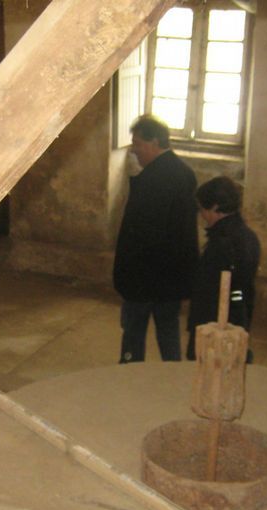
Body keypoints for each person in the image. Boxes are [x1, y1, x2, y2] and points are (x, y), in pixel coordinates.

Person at [113, 114, 199, 363]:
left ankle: (129, 378)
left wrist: (126, 275)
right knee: (168, 332)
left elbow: (142, 236)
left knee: (133, 333)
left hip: (144, 278)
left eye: (138, 144)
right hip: (171, 279)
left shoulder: (151, 180)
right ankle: (171, 378)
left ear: (154, 143)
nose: (134, 151)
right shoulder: (184, 172)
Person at [186, 176, 261, 361]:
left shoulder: (222, 243)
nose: (202, 215)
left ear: (215, 208)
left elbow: (211, 290)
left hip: (218, 321)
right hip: (239, 313)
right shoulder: (248, 236)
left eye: (202, 209)